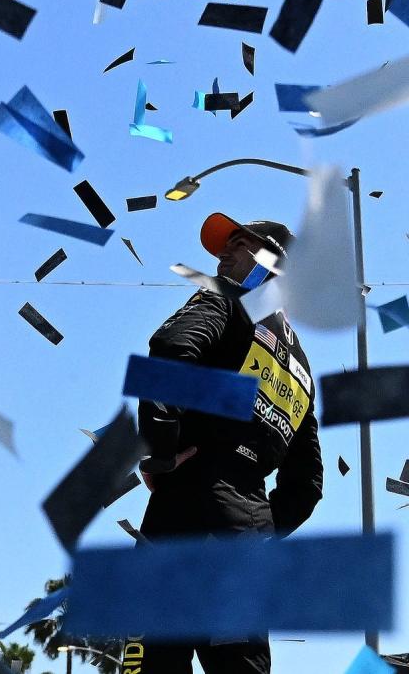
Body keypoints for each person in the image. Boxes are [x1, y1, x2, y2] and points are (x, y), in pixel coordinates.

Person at [131, 213, 323, 674]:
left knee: (153, 662)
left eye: (240, 244)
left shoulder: (228, 299)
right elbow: (308, 485)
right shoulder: (301, 366)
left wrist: (160, 453)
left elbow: (172, 346)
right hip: (247, 525)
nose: (224, 252)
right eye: (226, 245)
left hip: (188, 505)